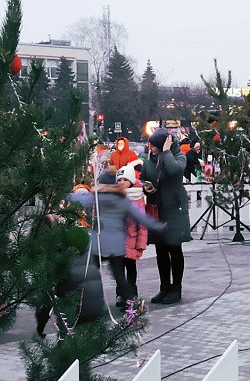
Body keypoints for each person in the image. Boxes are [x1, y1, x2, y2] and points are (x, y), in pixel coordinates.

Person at [68, 168, 165, 308]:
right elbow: (139, 216)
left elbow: (77, 198)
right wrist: (157, 225)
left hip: (98, 245)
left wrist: (63, 194)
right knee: (120, 277)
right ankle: (131, 304)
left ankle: (90, 303)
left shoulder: (95, 198)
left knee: (90, 275)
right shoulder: (122, 200)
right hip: (117, 246)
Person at [140, 128, 192, 305]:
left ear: (163, 145)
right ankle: (164, 287)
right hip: (157, 209)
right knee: (160, 249)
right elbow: (143, 178)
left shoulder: (178, 156)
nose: (151, 148)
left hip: (174, 209)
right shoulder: (150, 160)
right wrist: (145, 187)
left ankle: (176, 288)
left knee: (174, 248)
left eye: (154, 146)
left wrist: (167, 151)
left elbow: (175, 171)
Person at [117, 165, 148, 304]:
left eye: (124, 179)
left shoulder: (137, 197)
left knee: (130, 267)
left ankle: (132, 294)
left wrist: (141, 243)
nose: (121, 182)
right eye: (119, 180)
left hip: (131, 238)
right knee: (118, 269)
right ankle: (120, 293)